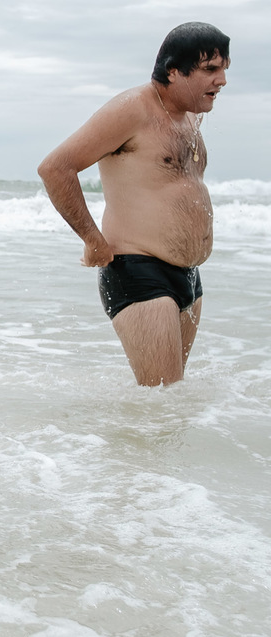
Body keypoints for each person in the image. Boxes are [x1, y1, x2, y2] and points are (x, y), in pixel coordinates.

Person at [38, 22, 230, 386]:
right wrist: (93, 239)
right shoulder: (132, 109)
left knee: (172, 402)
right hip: (139, 271)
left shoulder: (191, 115)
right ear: (174, 71)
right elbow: (55, 168)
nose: (221, 80)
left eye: (224, 69)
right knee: (162, 400)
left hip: (188, 276)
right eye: (210, 69)